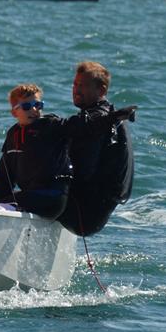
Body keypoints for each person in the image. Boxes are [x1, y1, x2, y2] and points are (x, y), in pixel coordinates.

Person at [0, 83, 135, 220]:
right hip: (31, 196)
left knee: (9, 202)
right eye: (27, 106)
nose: (34, 110)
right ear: (14, 112)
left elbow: (84, 125)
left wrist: (114, 117)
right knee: (2, 202)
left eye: (38, 105)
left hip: (53, 197)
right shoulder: (13, 135)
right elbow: (4, 175)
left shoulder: (51, 126)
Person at [57, 61, 135, 236]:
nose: (76, 90)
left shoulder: (99, 121)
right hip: (92, 211)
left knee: (19, 198)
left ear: (102, 90)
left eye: (83, 86)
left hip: (84, 213)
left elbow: (83, 171)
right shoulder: (108, 117)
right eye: (75, 84)